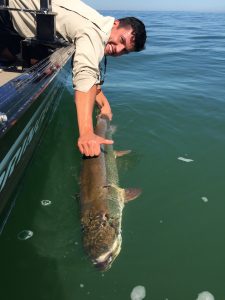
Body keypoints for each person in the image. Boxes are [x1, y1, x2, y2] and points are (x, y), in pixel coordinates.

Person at [0, 0, 146, 157]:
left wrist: (103, 102)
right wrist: (87, 133)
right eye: (122, 41)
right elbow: (85, 75)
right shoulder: (93, 33)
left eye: (124, 51)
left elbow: (91, 73)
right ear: (116, 24)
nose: (118, 50)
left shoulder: (97, 22)